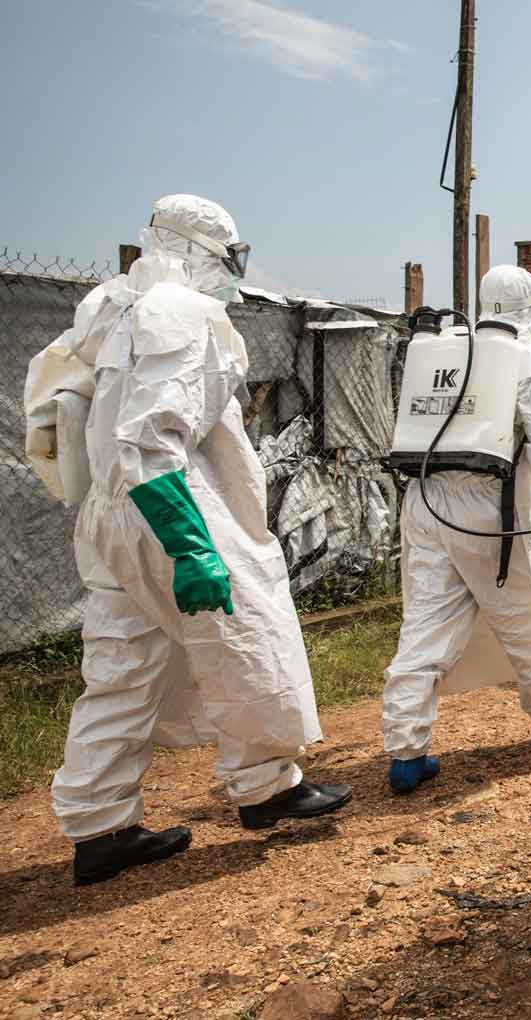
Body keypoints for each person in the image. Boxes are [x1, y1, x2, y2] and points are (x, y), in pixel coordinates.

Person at [25, 195, 352, 886]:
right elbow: (151, 436)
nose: (235, 272)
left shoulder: (110, 307)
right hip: (171, 504)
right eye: (232, 257)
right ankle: (267, 787)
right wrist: (191, 545)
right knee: (244, 639)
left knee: (120, 670)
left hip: (111, 512)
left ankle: (99, 827)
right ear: (203, 251)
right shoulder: (178, 310)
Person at [380, 267, 531, 795]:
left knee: (424, 624)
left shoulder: (443, 348)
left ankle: (405, 748)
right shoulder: (530, 358)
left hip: (424, 498)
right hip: (497, 506)